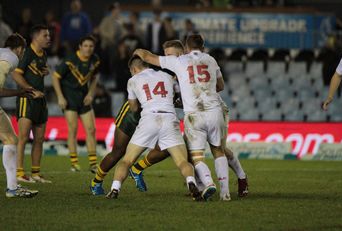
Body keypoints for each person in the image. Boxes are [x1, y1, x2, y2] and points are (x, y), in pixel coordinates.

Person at [131, 40, 248, 197]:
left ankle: (241, 177)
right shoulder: (170, 76)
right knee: (183, 148)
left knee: (219, 149)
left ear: (181, 53)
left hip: (216, 109)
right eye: (165, 55)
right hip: (196, 114)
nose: (167, 59)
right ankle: (200, 186)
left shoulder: (182, 65)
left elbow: (213, 88)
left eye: (169, 55)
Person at [105, 56, 204, 201]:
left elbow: (133, 108)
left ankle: (114, 189)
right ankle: (191, 182)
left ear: (134, 69)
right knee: (182, 161)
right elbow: (178, 97)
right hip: (170, 119)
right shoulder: (168, 76)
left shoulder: (132, 81)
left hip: (149, 119)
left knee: (126, 160)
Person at [52, 35, 100, 173]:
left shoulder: (95, 60)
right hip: (69, 97)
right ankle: (74, 163)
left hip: (84, 98)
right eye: (85, 46)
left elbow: (96, 77)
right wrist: (60, 97)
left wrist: (91, 93)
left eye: (91, 46)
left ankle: (93, 164)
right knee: (73, 130)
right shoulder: (70, 60)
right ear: (80, 47)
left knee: (91, 130)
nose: (88, 49)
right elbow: (55, 77)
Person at [0, 33, 40, 197]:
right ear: (19, 48)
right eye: (22, 51)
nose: (22, 54)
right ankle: (13, 188)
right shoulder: (11, 57)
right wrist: (20, 93)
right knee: (10, 140)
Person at [12, 24, 51, 183]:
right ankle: (19, 173)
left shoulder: (43, 54)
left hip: (40, 101)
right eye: (45, 36)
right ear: (35, 37)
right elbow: (15, 74)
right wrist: (30, 90)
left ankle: (35, 172)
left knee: (39, 139)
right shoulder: (27, 53)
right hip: (26, 99)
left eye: (48, 36)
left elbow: (37, 71)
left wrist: (45, 71)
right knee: (23, 137)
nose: (49, 38)